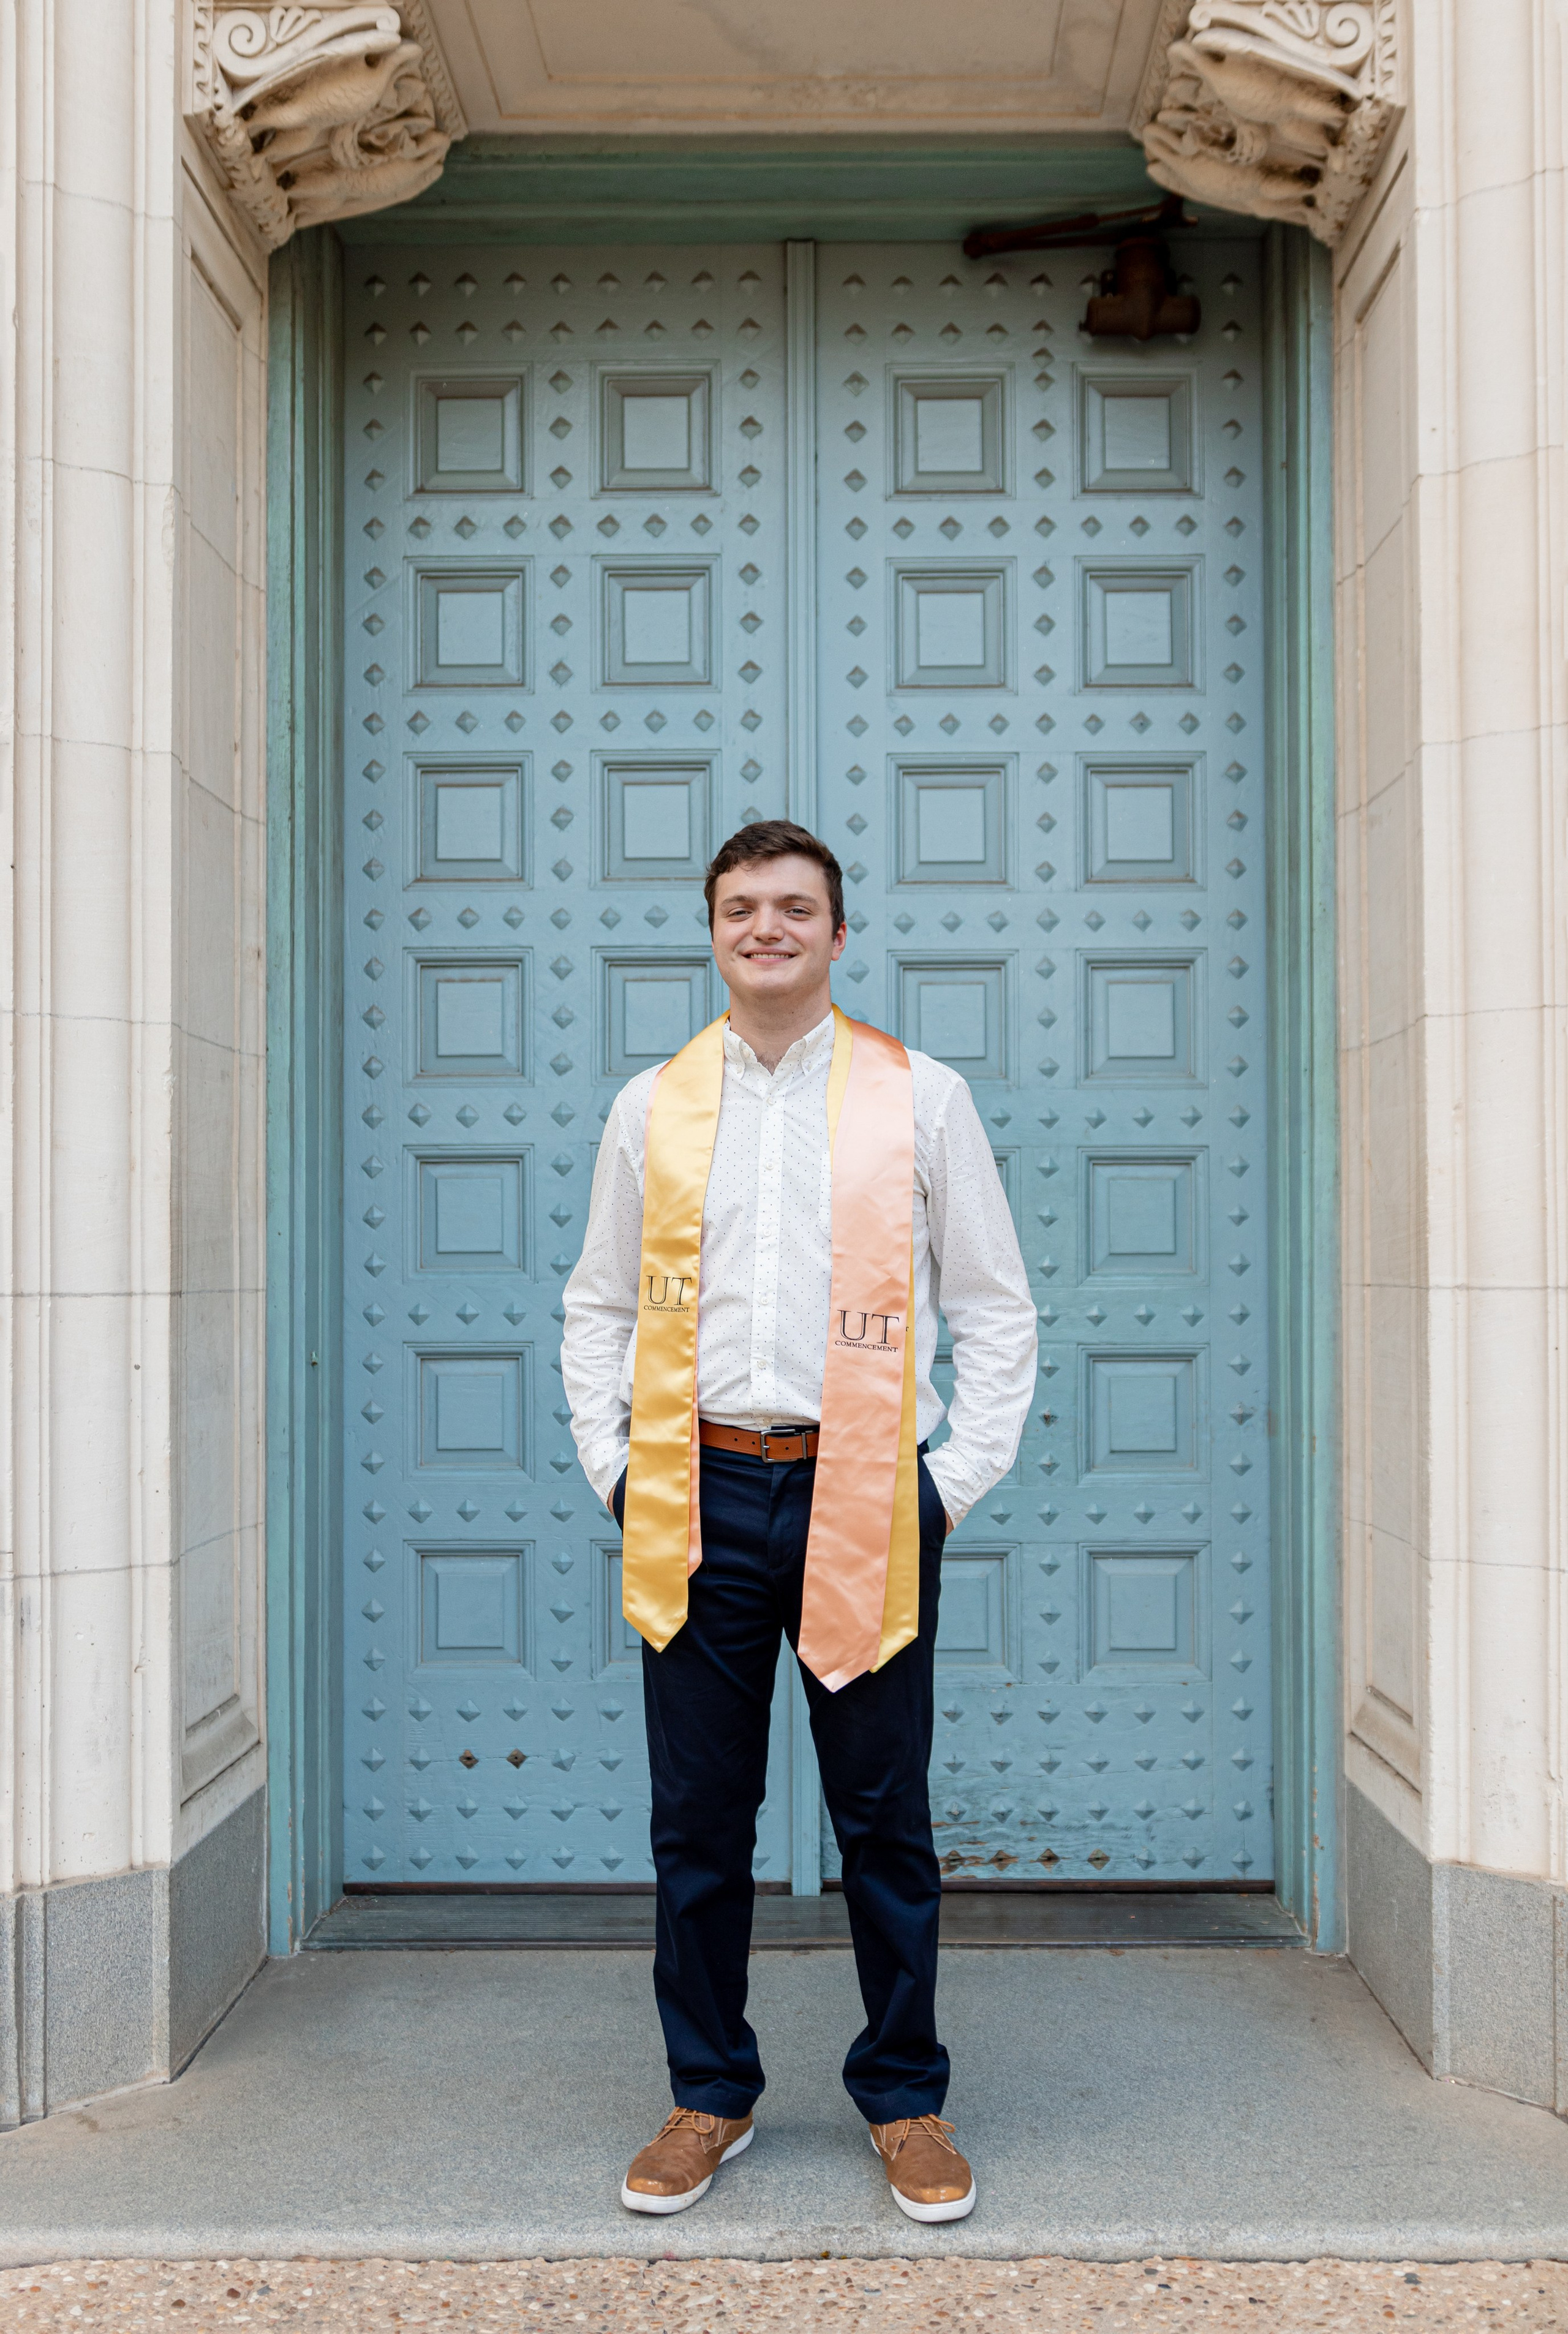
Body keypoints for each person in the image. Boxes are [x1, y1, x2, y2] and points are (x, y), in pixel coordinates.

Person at [562, 820, 1036, 2223]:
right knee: (696, 1823)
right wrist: (616, 1468)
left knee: (883, 1819)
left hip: (866, 1495)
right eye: (738, 909)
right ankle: (709, 2091)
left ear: (839, 934)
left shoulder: (920, 1099)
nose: (764, 929)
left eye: (792, 909)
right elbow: (595, 1304)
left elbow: (997, 1309)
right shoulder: (653, 1106)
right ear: (711, 932)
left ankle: (905, 2098)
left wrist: (947, 1483)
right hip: (697, 1494)